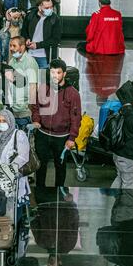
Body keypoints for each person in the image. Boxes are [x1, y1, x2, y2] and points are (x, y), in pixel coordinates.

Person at [32, 59, 82, 188]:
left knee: (60, 166)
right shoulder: (44, 89)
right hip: (42, 135)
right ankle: (40, 191)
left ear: (64, 74)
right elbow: (36, 107)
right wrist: (36, 120)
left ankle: (59, 193)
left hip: (61, 138)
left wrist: (72, 138)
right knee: (40, 166)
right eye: (52, 72)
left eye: (58, 72)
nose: (55, 75)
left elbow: (76, 118)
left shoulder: (73, 94)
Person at [0, 109, 30, 212]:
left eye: (4, 121)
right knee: (0, 208)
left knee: (13, 210)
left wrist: (6, 170)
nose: (1, 123)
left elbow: (23, 157)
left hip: (12, 177)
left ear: (10, 121)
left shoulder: (18, 135)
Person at [21, 0, 61, 68]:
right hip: (30, 55)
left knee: (43, 78)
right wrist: (27, 39)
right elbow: (24, 32)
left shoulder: (55, 19)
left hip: (45, 57)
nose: (50, 9)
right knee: (30, 77)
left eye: (51, 7)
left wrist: (37, 45)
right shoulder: (30, 16)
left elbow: (56, 39)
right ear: (39, 7)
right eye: (46, 8)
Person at [9, 36, 39, 130]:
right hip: (13, 109)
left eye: (14, 46)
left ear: (22, 47)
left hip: (24, 111)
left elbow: (33, 87)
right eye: (10, 46)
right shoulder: (12, 61)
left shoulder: (30, 62)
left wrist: (30, 108)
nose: (11, 48)